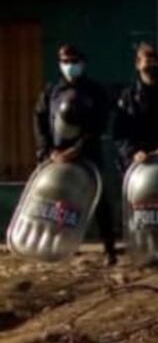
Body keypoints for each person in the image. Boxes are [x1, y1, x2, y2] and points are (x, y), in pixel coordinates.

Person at [33, 44, 118, 265]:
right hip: (56, 156)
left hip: (87, 154)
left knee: (99, 201)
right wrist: (48, 150)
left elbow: (100, 123)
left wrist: (79, 147)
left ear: (82, 62)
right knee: (54, 203)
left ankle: (109, 249)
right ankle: (53, 247)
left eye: (73, 61)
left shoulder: (95, 91)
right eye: (65, 61)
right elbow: (40, 120)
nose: (69, 66)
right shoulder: (51, 91)